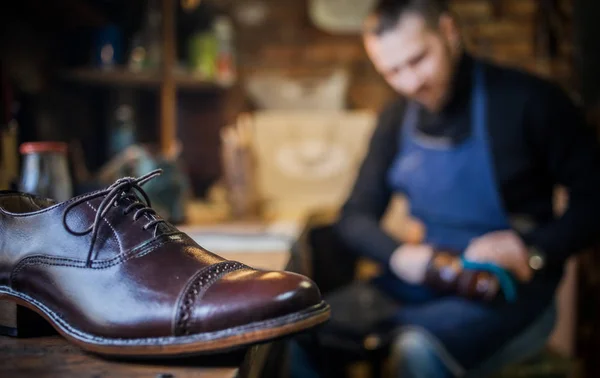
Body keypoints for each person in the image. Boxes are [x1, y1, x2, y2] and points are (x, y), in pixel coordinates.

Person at [289, 0, 600, 377]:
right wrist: (400, 255)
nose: (410, 82)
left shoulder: (529, 101)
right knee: (298, 334)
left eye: (419, 60)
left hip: (507, 289)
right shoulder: (395, 117)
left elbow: (593, 200)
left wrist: (534, 250)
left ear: (449, 32)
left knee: (415, 350)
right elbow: (354, 216)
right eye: (392, 71)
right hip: (426, 279)